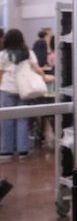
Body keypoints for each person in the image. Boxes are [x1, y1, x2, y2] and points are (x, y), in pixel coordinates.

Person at [0, 28, 54, 160]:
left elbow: (1, 73)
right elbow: (36, 68)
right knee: (22, 119)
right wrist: (44, 77)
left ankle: (6, 151)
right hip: (24, 90)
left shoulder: (4, 54)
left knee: (6, 119)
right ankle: (23, 150)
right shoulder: (28, 53)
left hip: (7, 88)